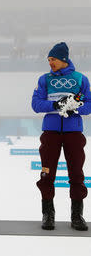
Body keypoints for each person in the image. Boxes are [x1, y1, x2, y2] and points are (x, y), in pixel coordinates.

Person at [32, 42, 90, 231]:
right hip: (50, 133)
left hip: (73, 132)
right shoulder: (44, 79)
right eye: (48, 59)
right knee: (46, 172)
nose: (50, 63)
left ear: (63, 60)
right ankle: (48, 214)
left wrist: (76, 106)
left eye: (53, 59)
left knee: (76, 173)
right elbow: (36, 104)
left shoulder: (81, 79)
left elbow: (89, 105)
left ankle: (77, 215)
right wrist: (56, 106)